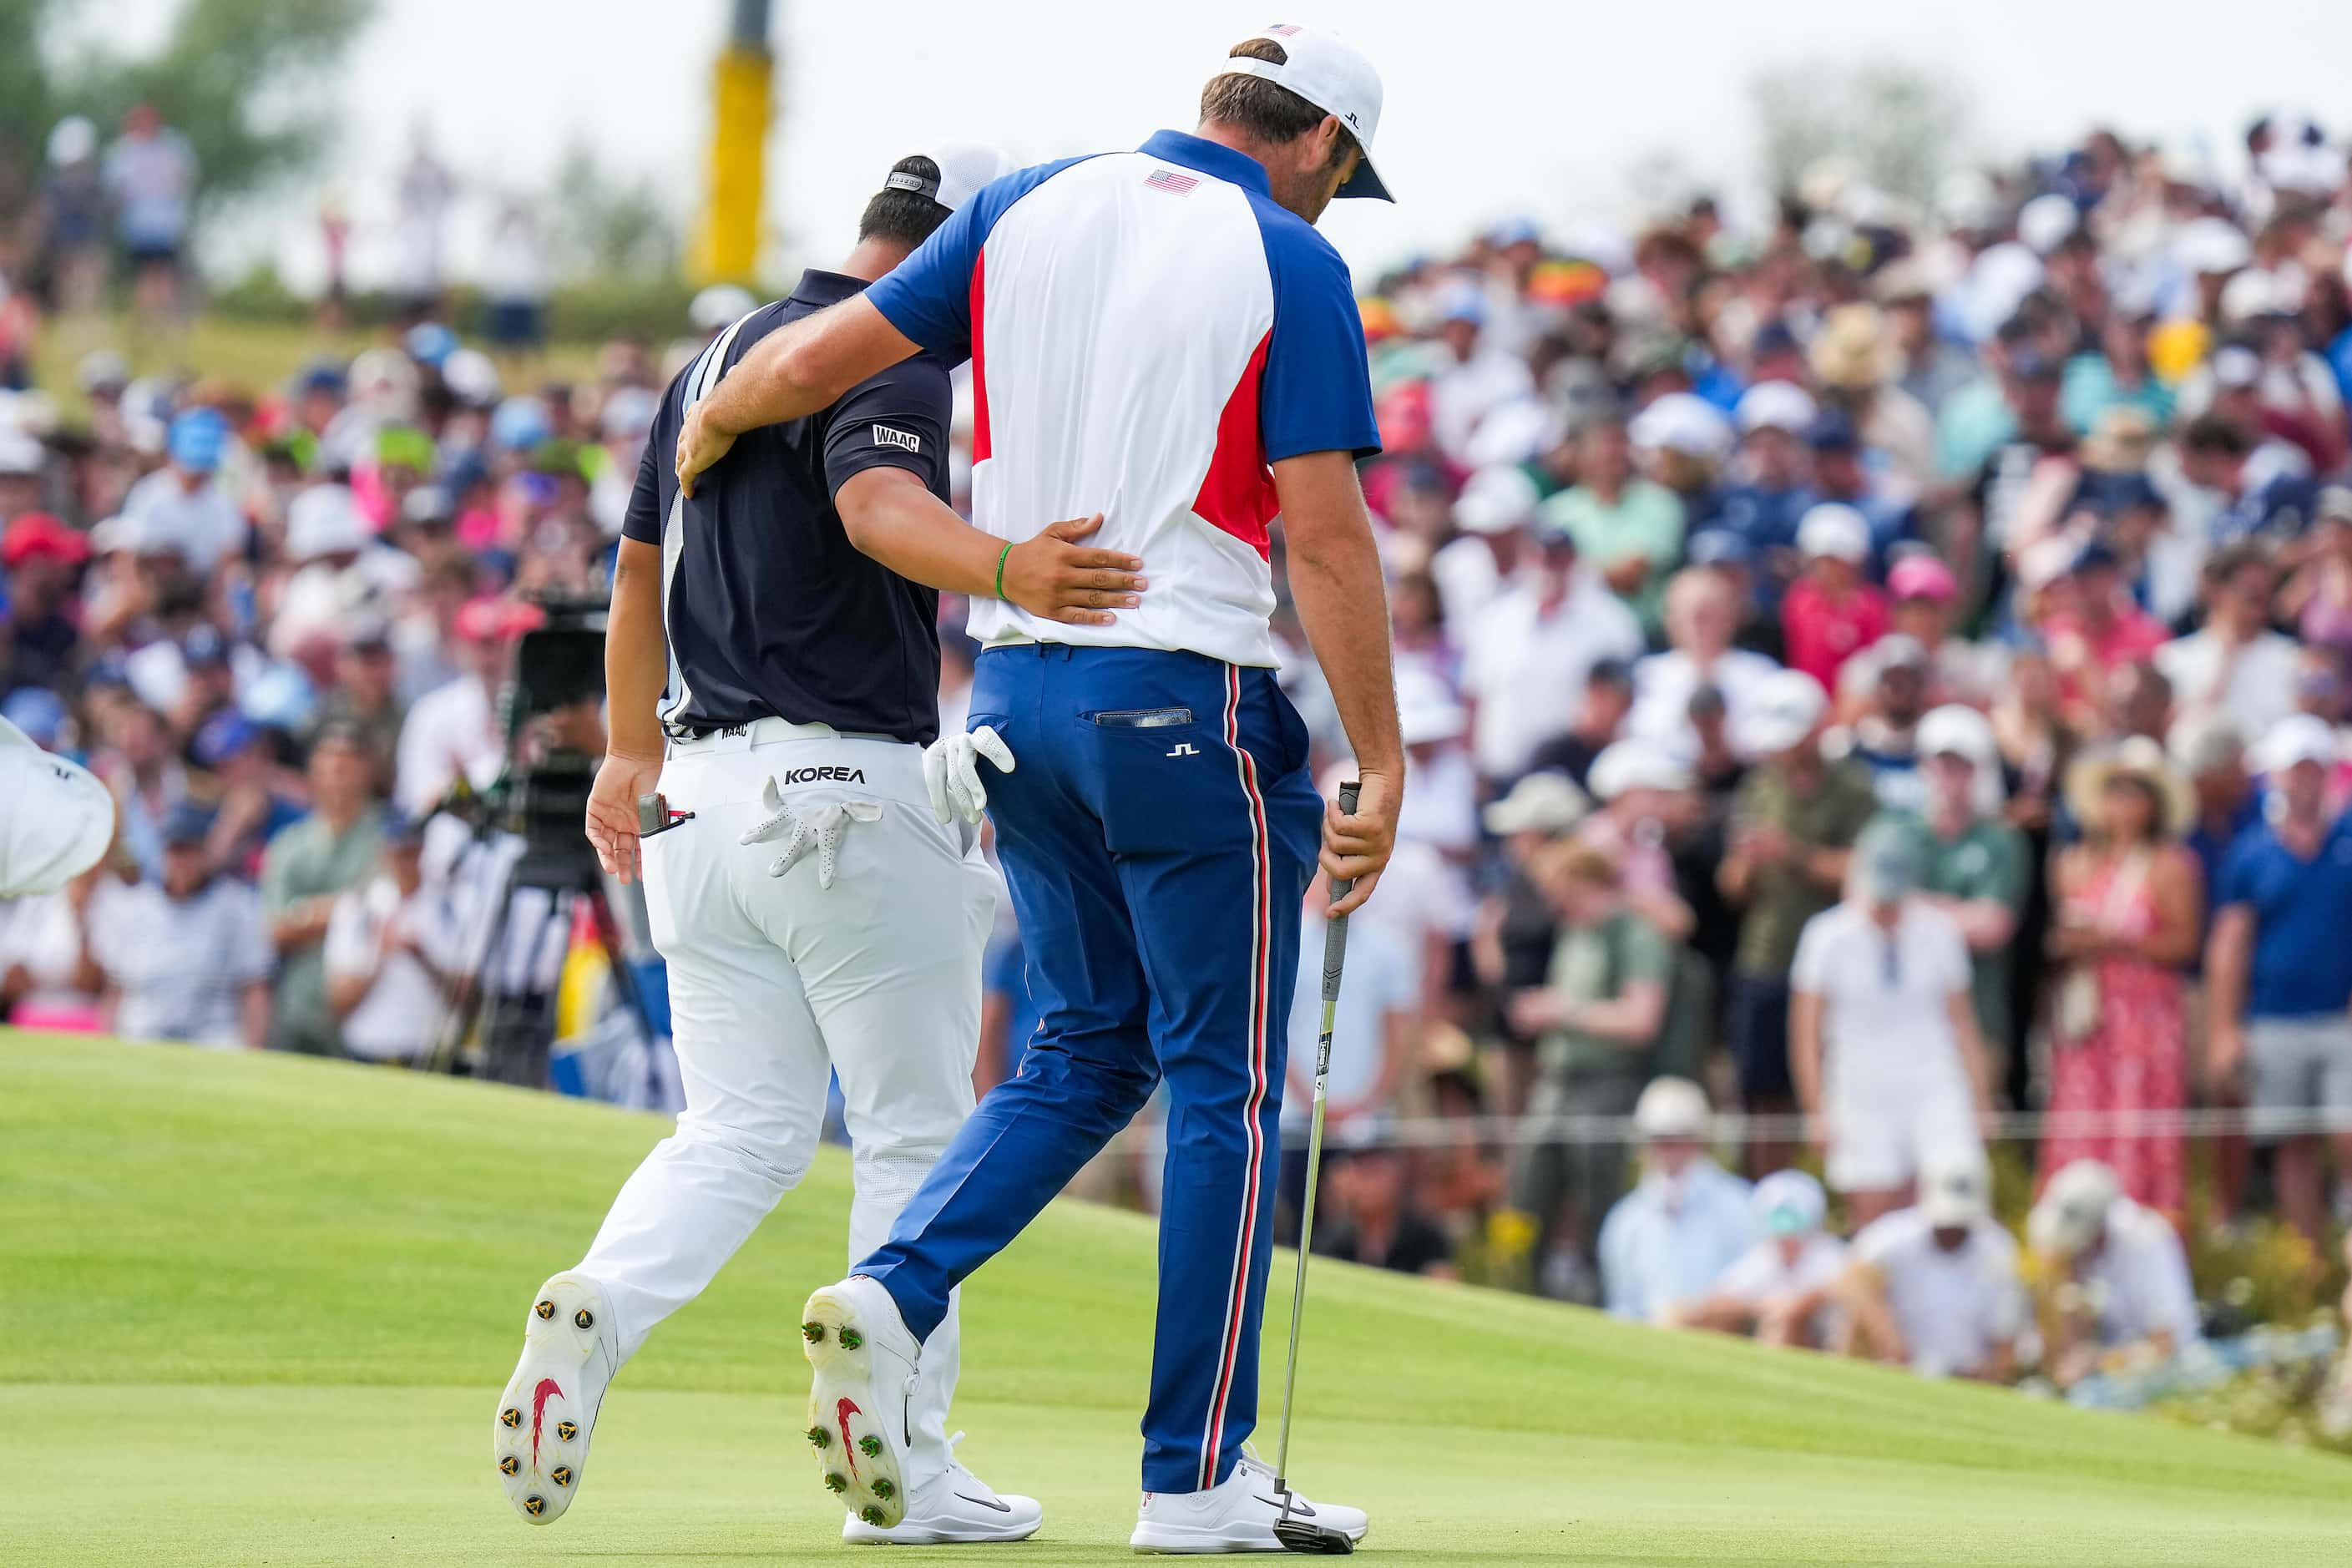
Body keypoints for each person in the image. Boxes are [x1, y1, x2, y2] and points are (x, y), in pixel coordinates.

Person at [673, 30, 1404, 1549]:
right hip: (1187, 698)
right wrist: (1382, 756)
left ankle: (891, 1283)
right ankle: (1191, 1478)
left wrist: (720, 413)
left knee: (1085, 1042)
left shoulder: (1025, 205)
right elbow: (1325, 539)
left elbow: (809, 361)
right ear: (1321, 141)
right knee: (1222, 1083)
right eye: (1347, 175)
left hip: (1010, 697)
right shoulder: (1289, 257)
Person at [496, 144, 1123, 1545]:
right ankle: (909, 1455)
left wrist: (625, 746)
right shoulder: (887, 348)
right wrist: (1012, 566)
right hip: (841, 792)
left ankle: (597, 1308)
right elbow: (872, 510)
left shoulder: (721, 350)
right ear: (953, 250)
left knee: (735, 1129)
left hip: (696, 805)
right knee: (912, 1128)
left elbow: (635, 571)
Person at [1789, 822, 1994, 1226]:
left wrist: (1981, 1098)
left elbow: (1963, 1024)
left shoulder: (1939, 931)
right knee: (1872, 1216)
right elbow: (1805, 1033)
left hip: (1935, 1084)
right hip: (1858, 1088)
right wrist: (1815, 1109)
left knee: (1955, 1205)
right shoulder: (1825, 936)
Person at [1718, 670, 1879, 1167]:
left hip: (1836, 964)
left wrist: (1791, 854)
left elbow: (1866, 870)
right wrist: (1746, 865)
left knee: (1835, 1088)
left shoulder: (1853, 789)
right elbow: (1732, 887)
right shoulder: (1758, 788)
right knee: (1762, 1092)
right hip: (1766, 956)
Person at [1506, 838, 1674, 1302]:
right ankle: (1514, 1283)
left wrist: (1562, 1011)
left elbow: (1641, 1020)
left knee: (1601, 1196)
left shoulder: (1635, 935)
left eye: (1564, 892)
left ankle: (1610, 1295)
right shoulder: (1574, 933)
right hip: (1557, 1081)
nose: (1556, 903)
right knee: (1526, 1188)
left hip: (1608, 1084)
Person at [2042, 738, 2203, 1217]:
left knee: (2141, 1127)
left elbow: (2183, 943)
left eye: (2135, 791)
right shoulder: (2074, 865)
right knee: (2084, 1128)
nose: (2123, 803)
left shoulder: (2171, 867)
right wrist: (2071, 947)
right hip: (2089, 1020)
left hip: (2146, 1021)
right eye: (2116, 790)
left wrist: (2113, 942)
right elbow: (2057, 942)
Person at [2208, 715, 2352, 1246]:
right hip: (2272, 1019)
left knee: (2346, 1131)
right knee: (2294, 1143)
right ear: (2277, 778)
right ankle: (2308, 1265)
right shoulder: (2251, 852)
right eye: (2295, 771)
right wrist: (2225, 1029)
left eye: (2314, 770)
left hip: (2341, 1018)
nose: (2304, 781)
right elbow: (2230, 946)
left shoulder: (2349, 838)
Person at [1884, 706, 2031, 1061]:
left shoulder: (2002, 841)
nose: (1948, 775)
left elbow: (1993, 926)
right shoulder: (1893, 832)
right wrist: (1958, 915)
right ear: (1922, 766)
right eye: (1940, 762)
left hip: (1976, 1021)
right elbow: (1872, 910)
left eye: (1961, 765)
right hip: (1900, 1020)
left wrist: (1913, 908)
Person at [1834, 1146, 2026, 1383]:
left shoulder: (1998, 1249)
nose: (1951, 1231)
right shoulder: (1893, 1236)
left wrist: (1993, 1373)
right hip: (1898, 1370)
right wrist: (1892, 1343)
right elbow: (1849, 1281)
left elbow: (2005, 1341)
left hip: (1968, 1378)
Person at [90, 801, 271, 1050]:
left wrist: (254, 1053)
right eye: (176, 852)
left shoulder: (236, 906)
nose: (182, 862)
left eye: (191, 852)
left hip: (213, 1036)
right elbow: (115, 990)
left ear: (205, 853)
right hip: (143, 1031)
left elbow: (254, 988)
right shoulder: (136, 906)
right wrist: (106, 1046)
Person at [257, 725, 383, 1057]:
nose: (338, 775)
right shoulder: (289, 844)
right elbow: (275, 930)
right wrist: (344, 909)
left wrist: (305, 914)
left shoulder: (387, 840)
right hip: (298, 1003)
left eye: (348, 763)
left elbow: (385, 914)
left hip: (368, 1001)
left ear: (367, 770)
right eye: (329, 763)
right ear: (313, 770)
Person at [2028, 1159, 2201, 1393]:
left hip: (2170, 1371)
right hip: (2111, 1373)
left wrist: (2097, 1361)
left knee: (2090, 1398)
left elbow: (2165, 1347)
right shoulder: (2082, 1254)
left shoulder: (2148, 1241)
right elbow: (2071, 1344)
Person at [1594, 1076, 1753, 1323]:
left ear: (1699, 1138)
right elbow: (1622, 1306)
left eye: (1679, 1138)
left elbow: (1755, 1291)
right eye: (1659, 1140)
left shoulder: (1739, 1204)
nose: (1669, 1150)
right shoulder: (1626, 1219)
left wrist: (1700, 1315)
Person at [321, 809, 460, 1065]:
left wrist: (421, 956)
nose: (402, 861)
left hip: (429, 1053)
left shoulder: (449, 906)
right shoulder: (358, 906)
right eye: (396, 851)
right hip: (366, 1050)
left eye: (410, 851)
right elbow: (338, 1002)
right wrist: (381, 954)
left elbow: (468, 1000)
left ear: (422, 850)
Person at [1539, 414, 1685, 638]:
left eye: (1619, 443)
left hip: (1644, 634)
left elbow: (1631, 575)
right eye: (1603, 443)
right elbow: (1546, 577)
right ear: (1581, 453)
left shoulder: (1661, 503)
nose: (1612, 452)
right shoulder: (1555, 511)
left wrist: (1578, 574)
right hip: (1573, 635)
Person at [1668, 1169, 1846, 1348]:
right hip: (1772, 1330)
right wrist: (1760, 1306)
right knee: (1679, 1314)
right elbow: (1717, 1300)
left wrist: (1785, 1308)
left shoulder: (1829, 1256)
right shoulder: (1764, 1257)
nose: (1787, 1238)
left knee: (1781, 1324)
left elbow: (1801, 1307)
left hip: (1827, 1347)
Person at [1780, 503, 1888, 694]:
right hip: (1806, 701)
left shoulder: (1872, 606)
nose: (1826, 569)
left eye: (1833, 561)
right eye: (1820, 560)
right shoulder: (1799, 599)